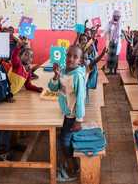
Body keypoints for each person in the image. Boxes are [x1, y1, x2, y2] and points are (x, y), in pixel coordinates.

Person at [48, 45, 86, 182]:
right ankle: (72, 163)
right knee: (66, 139)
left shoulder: (77, 77)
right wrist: (56, 74)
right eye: (69, 55)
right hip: (66, 111)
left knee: (64, 141)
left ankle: (72, 171)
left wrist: (79, 120)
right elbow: (52, 88)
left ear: (80, 61)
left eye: (75, 57)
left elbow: (81, 99)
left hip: (72, 115)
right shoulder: (63, 71)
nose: (71, 59)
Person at [99, 10, 124, 75]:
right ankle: (110, 71)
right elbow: (106, 31)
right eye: (117, 16)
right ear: (114, 16)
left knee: (116, 56)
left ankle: (115, 71)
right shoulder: (110, 23)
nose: (118, 18)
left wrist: (123, 35)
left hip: (117, 42)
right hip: (110, 42)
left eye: (119, 17)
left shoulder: (120, 24)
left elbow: (122, 33)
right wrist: (100, 35)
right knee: (110, 56)